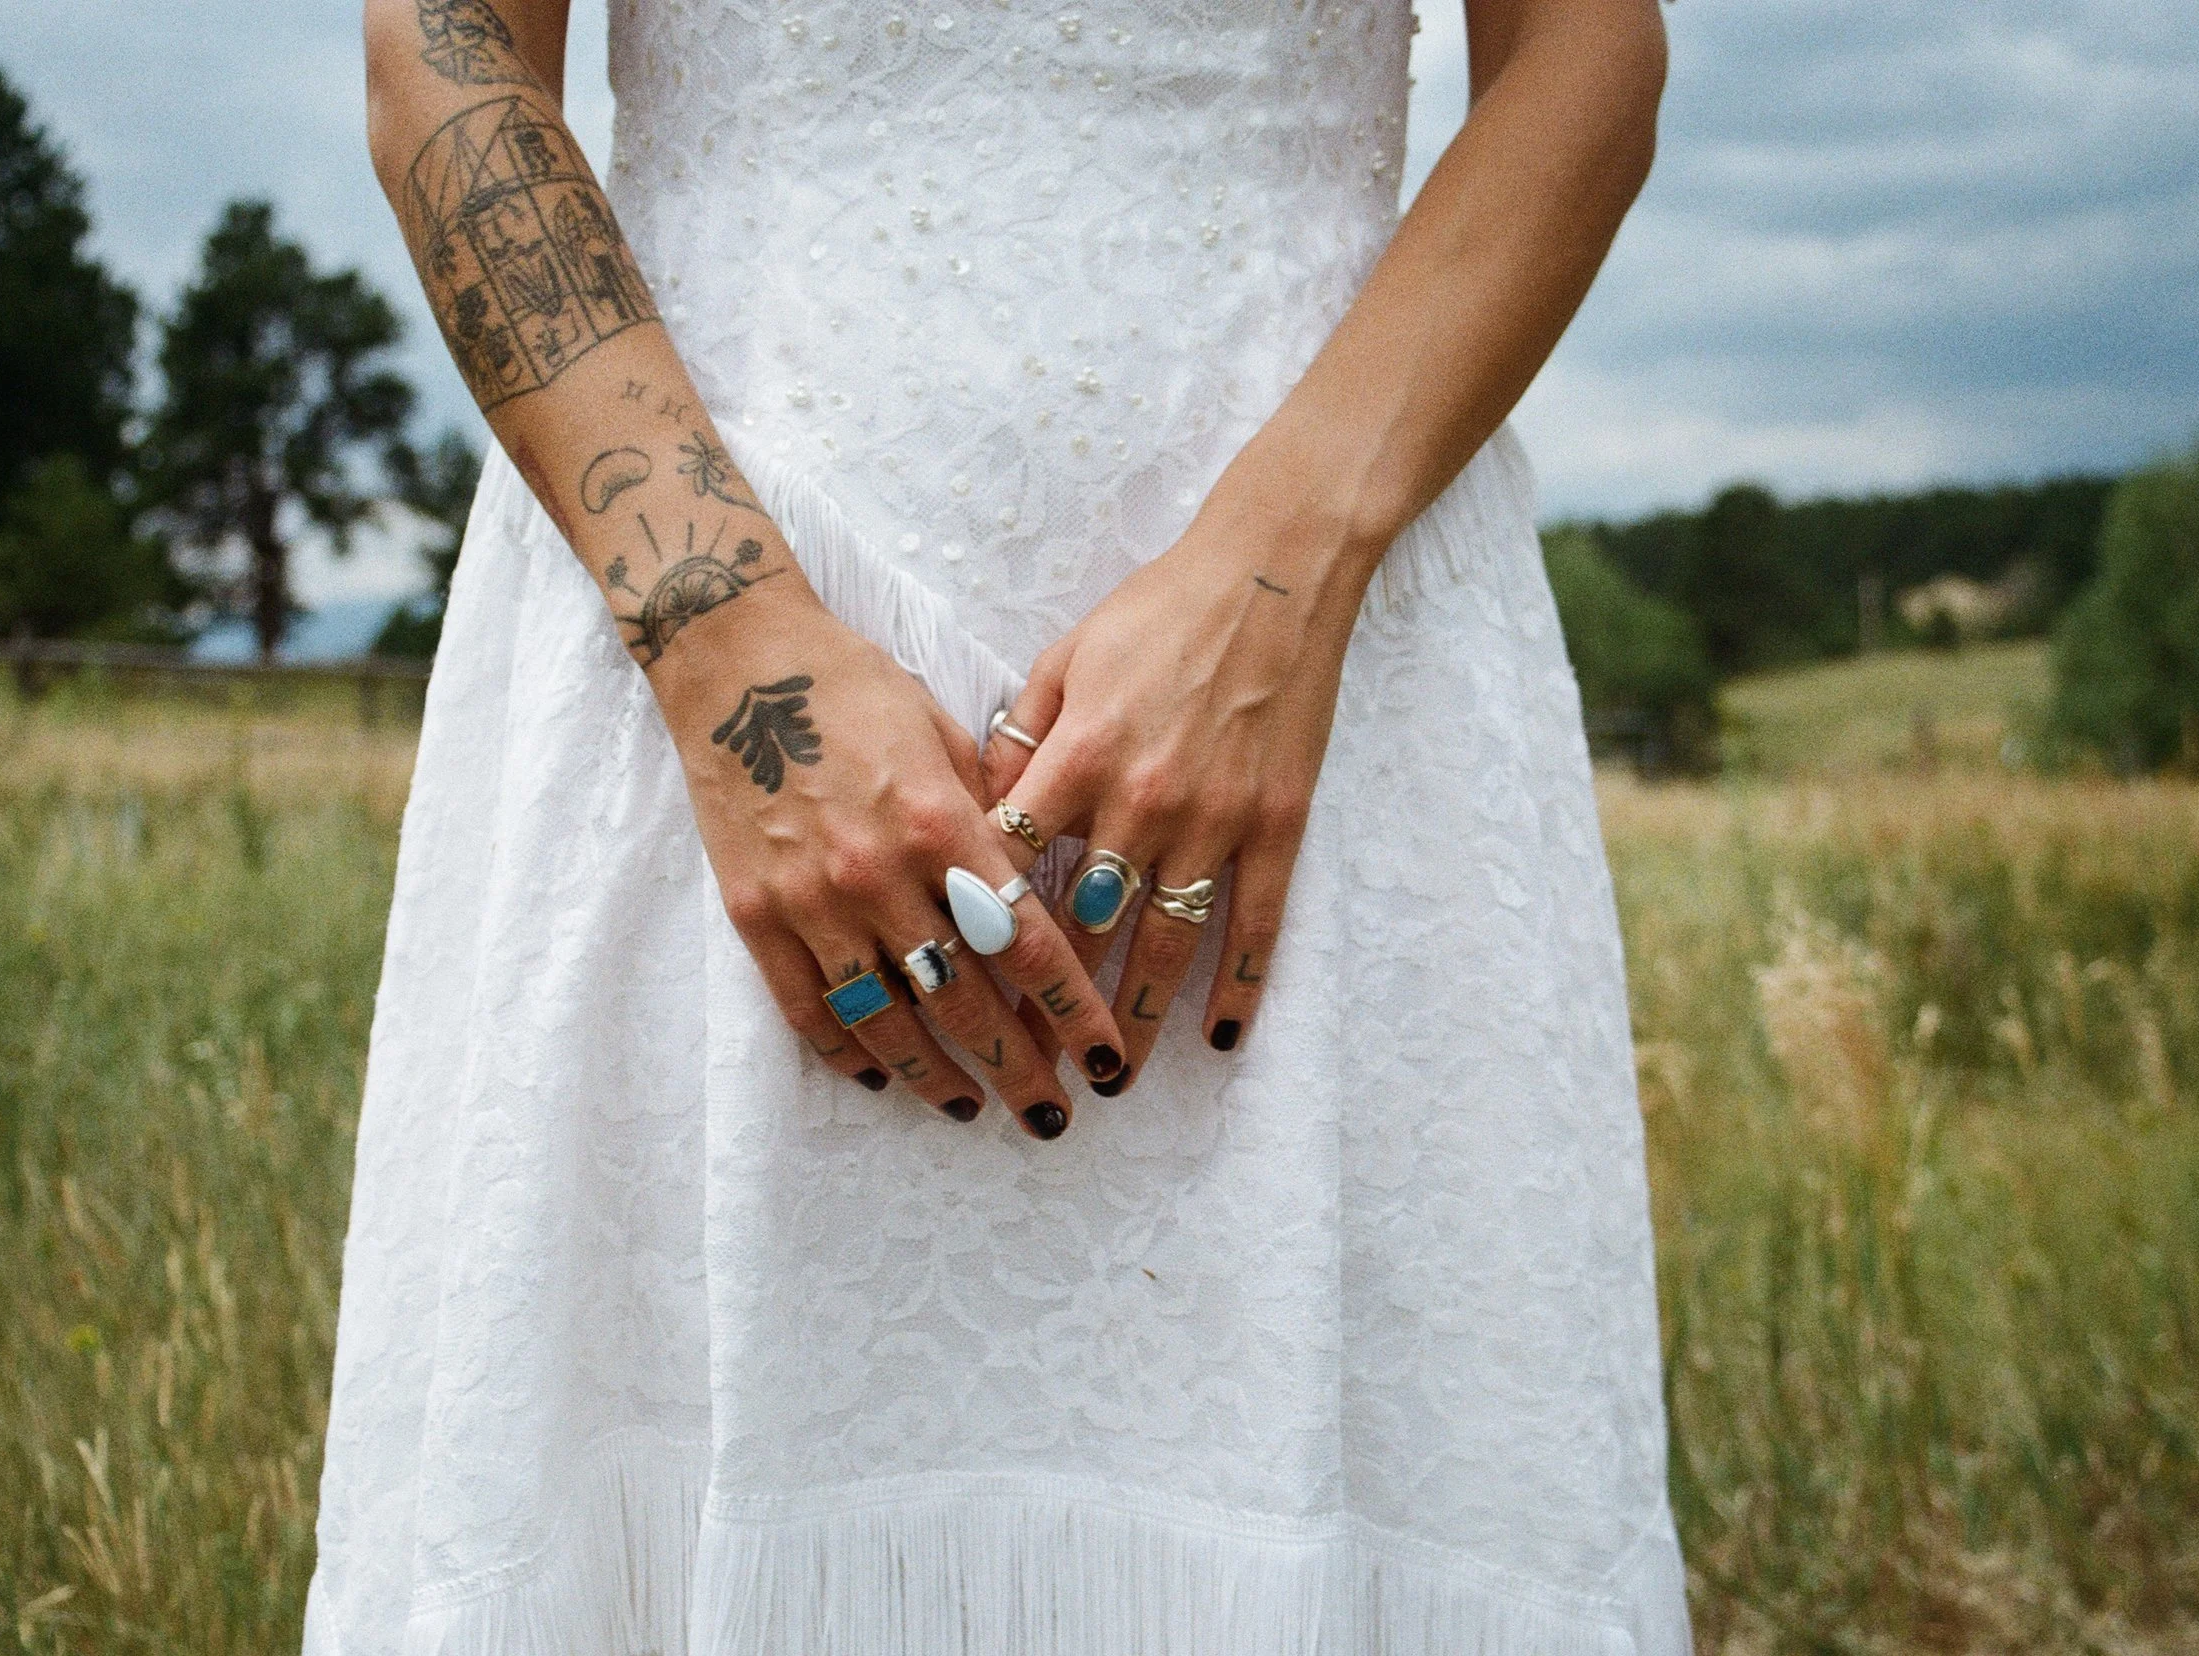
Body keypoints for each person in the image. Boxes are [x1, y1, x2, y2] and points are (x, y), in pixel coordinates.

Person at [307, 0, 1685, 1646]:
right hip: (713, 673)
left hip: (1324, 668)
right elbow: (443, 46)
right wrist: (730, 647)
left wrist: (1281, 576)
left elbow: (1587, 55)